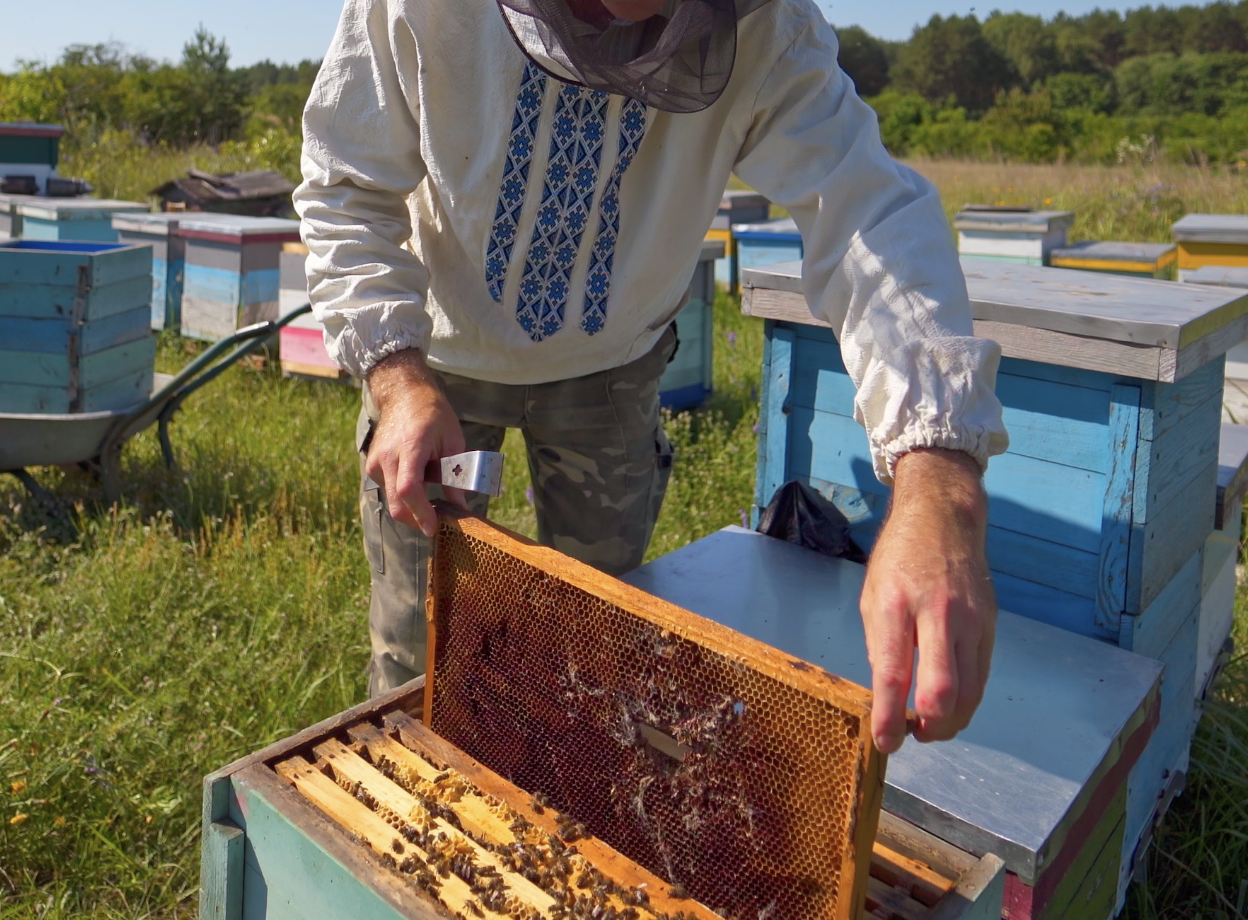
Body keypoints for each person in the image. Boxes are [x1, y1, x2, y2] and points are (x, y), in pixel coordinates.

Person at [295, 0, 1009, 755]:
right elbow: (346, 182)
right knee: (420, 647)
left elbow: (866, 215)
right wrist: (397, 376)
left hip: (610, 377)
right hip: (436, 367)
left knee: (601, 637)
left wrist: (938, 477)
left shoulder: (767, 27)